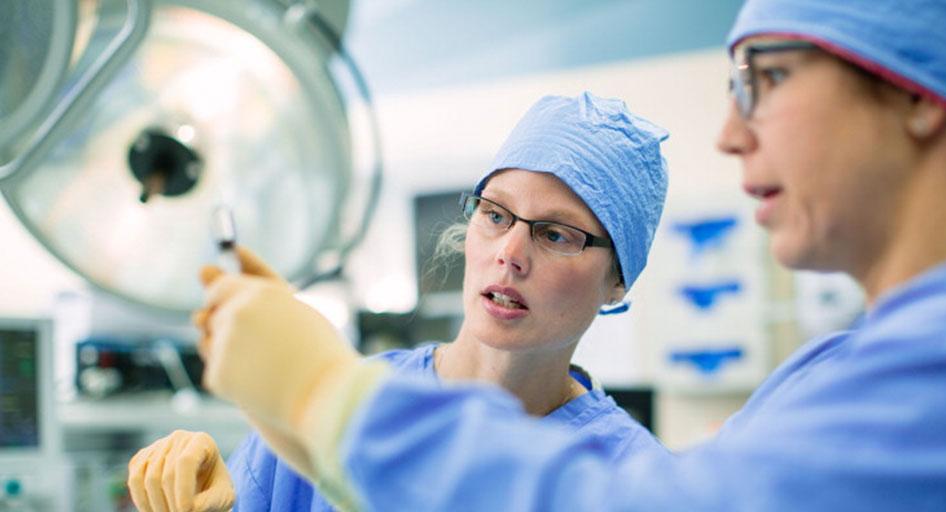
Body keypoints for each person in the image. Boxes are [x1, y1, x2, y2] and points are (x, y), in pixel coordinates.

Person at [172, 0, 946, 509]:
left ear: (917, 91)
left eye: (763, 79)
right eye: (496, 216)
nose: (729, 136)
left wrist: (323, 396)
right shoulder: (852, 368)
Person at [126, 92, 673, 511]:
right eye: (496, 214)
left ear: (618, 282)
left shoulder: (628, 479)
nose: (510, 254)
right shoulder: (343, 398)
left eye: (556, 234)